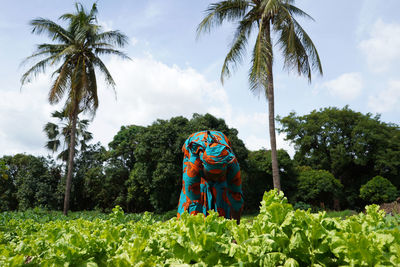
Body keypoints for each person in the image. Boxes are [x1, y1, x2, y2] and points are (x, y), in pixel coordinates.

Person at [177, 130, 244, 224]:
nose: (215, 179)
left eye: (219, 175)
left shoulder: (231, 163)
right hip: (192, 147)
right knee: (192, 194)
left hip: (221, 145)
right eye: (212, 176)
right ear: (202, 167)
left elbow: (236, 195)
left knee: (221, 190)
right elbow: (192, 197)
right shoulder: (194, 163)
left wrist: (236, 227)